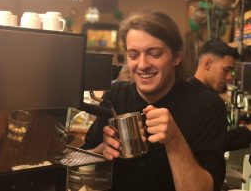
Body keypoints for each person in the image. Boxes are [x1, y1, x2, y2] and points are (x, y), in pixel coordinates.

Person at [81, 10, 227, 191]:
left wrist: (174, 140)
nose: (142, 65)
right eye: (133, 55)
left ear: (176, 57)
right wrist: (102, 149)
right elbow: (83, 158)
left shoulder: (208, 106)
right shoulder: (115, 95)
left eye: (154, 53)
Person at [189, 40, 251, 151]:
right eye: (226, 70)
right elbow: (213, 145)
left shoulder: (185, 91)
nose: (229, 78)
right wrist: (247, 131)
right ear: (208, 64)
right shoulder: (211, 102)